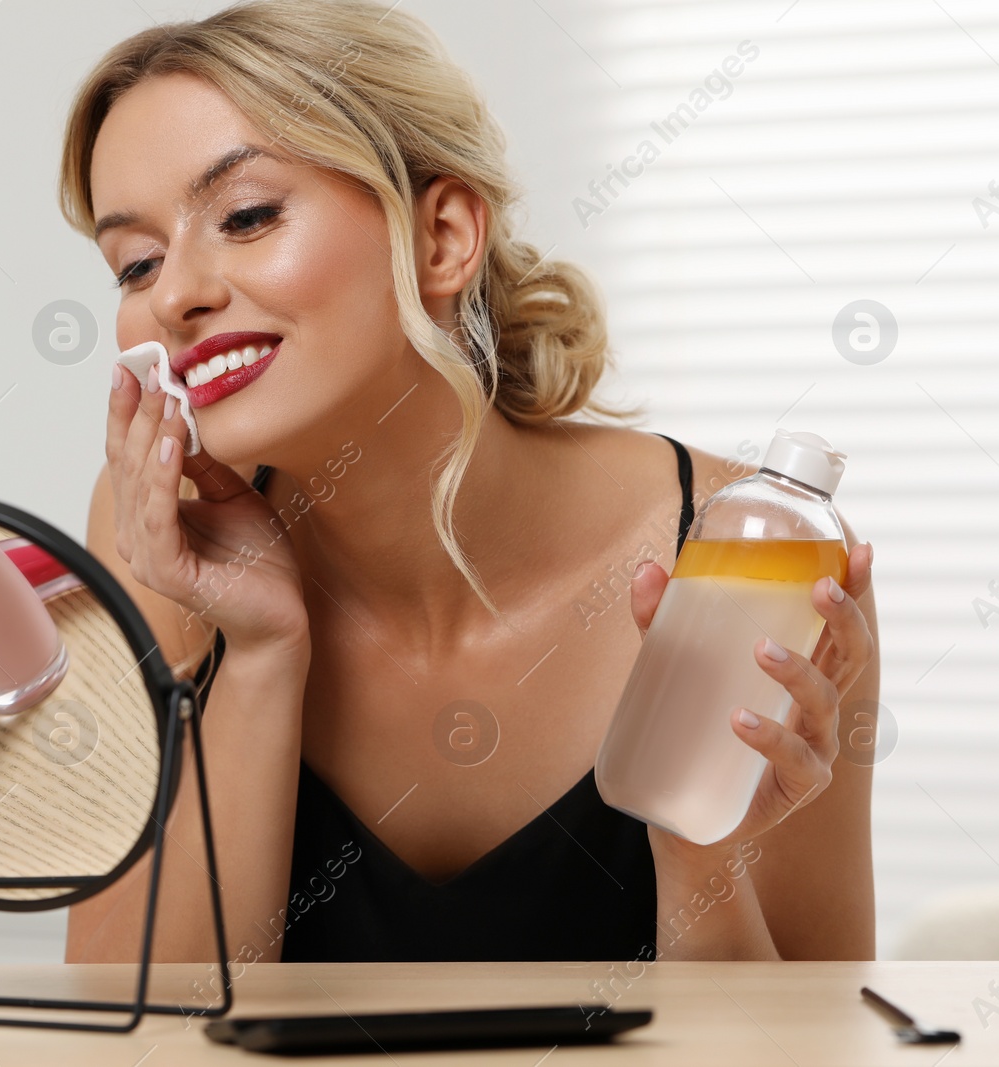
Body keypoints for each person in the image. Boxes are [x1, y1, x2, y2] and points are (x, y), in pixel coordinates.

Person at [57, 0, 878, 964]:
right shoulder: (159, 537)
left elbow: (810, 1044)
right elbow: (140, 1037)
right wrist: (261, 650)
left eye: (246, 216)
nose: (172, 295)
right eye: (135, 262)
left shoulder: (754, 553)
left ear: (441, 237)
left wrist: (703, 849)